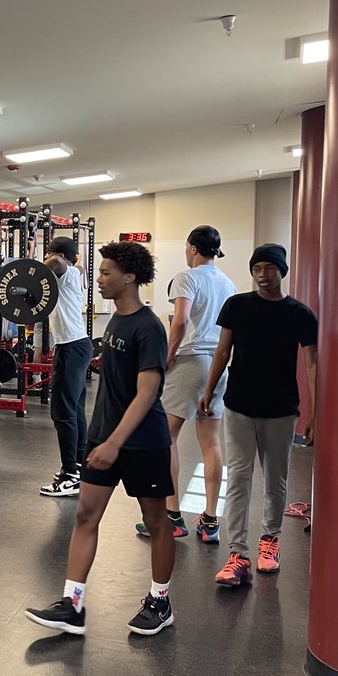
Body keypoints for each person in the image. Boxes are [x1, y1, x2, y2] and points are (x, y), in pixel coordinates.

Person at [25, 241, 176, 637]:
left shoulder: (148, 326)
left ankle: (160, 601)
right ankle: (72, 605)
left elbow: (147, 393)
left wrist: (115, 443)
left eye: (107, 272)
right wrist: (100, 437)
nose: (100, 278)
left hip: (143, 442)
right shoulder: (115, 322)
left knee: (156, 520)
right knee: (85, 516)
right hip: (104, 436)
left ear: (129, 277)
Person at [199, 244, 317, 587]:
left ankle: (270, 542)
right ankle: (237, 554)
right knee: (238, 478)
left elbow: (312, 363)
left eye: (270, 268)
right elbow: (222, 351)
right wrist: (209, 390)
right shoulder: (237, 306)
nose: (263, 275)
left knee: (275, 481)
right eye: (258, 268)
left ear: (283, 271)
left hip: (281, 410)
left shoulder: (300, 314)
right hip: (238, 406)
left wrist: (316, 411)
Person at [135, 225, 236, 541]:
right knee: (212, 442)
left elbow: (179, 321)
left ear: (192, 247)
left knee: (166, 438)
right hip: (218, 364)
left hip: (190, 362)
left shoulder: (187, 277)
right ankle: (209, 521)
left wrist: (165, 357)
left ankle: (173, 517)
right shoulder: (227, 282)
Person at [38, 236, 93, 497]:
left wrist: (39, 263)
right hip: (73, 345)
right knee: (75, 410)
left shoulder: (67, 272)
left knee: (62, 413)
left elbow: (56, 262)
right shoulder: (64, 276)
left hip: (72, 347)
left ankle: (70, 474)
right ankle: (79, 467)